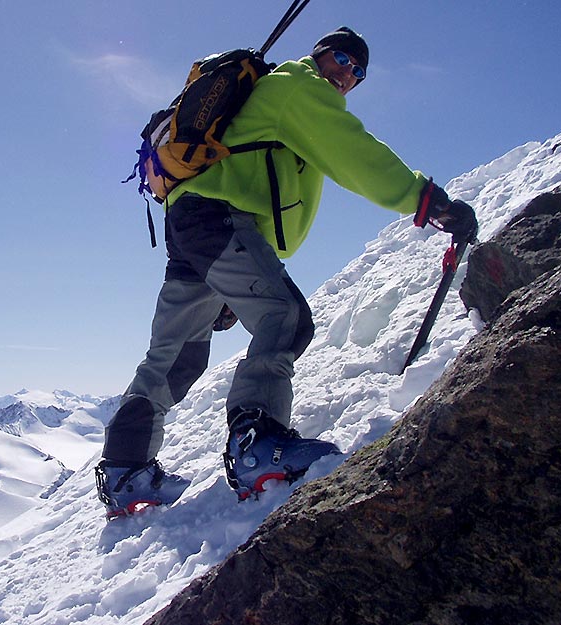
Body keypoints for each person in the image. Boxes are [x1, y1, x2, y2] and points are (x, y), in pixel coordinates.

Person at [95, 27, 478, 517]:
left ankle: (127, 469)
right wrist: (430, 201)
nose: (347, 74)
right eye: (341, 58)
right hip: (218, 218)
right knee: (286, 317)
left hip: (191, 220)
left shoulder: (279, 94)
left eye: (358, 71)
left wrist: (232, 281)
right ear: (318, 54)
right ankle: (259, 447)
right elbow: (355, 155)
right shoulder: (300, 87)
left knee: (174, 356)